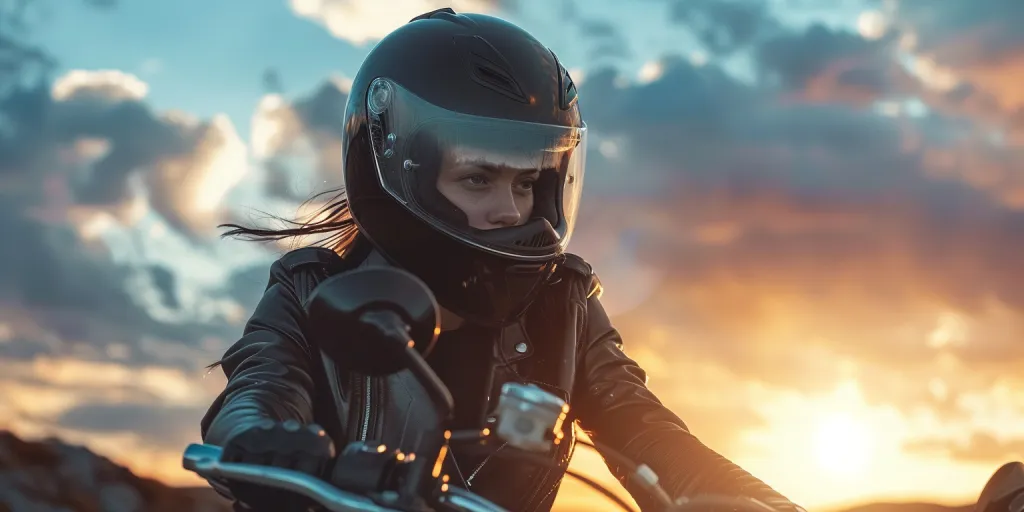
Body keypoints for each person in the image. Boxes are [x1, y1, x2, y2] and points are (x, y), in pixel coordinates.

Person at [201, 7, 805, 512]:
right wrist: (262, 442)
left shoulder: (560, 305)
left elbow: (646, 430)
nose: (509, 210)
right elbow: (260, 385)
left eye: (525, 184)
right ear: (400, 170)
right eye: (478, 179)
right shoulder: (310, 290)